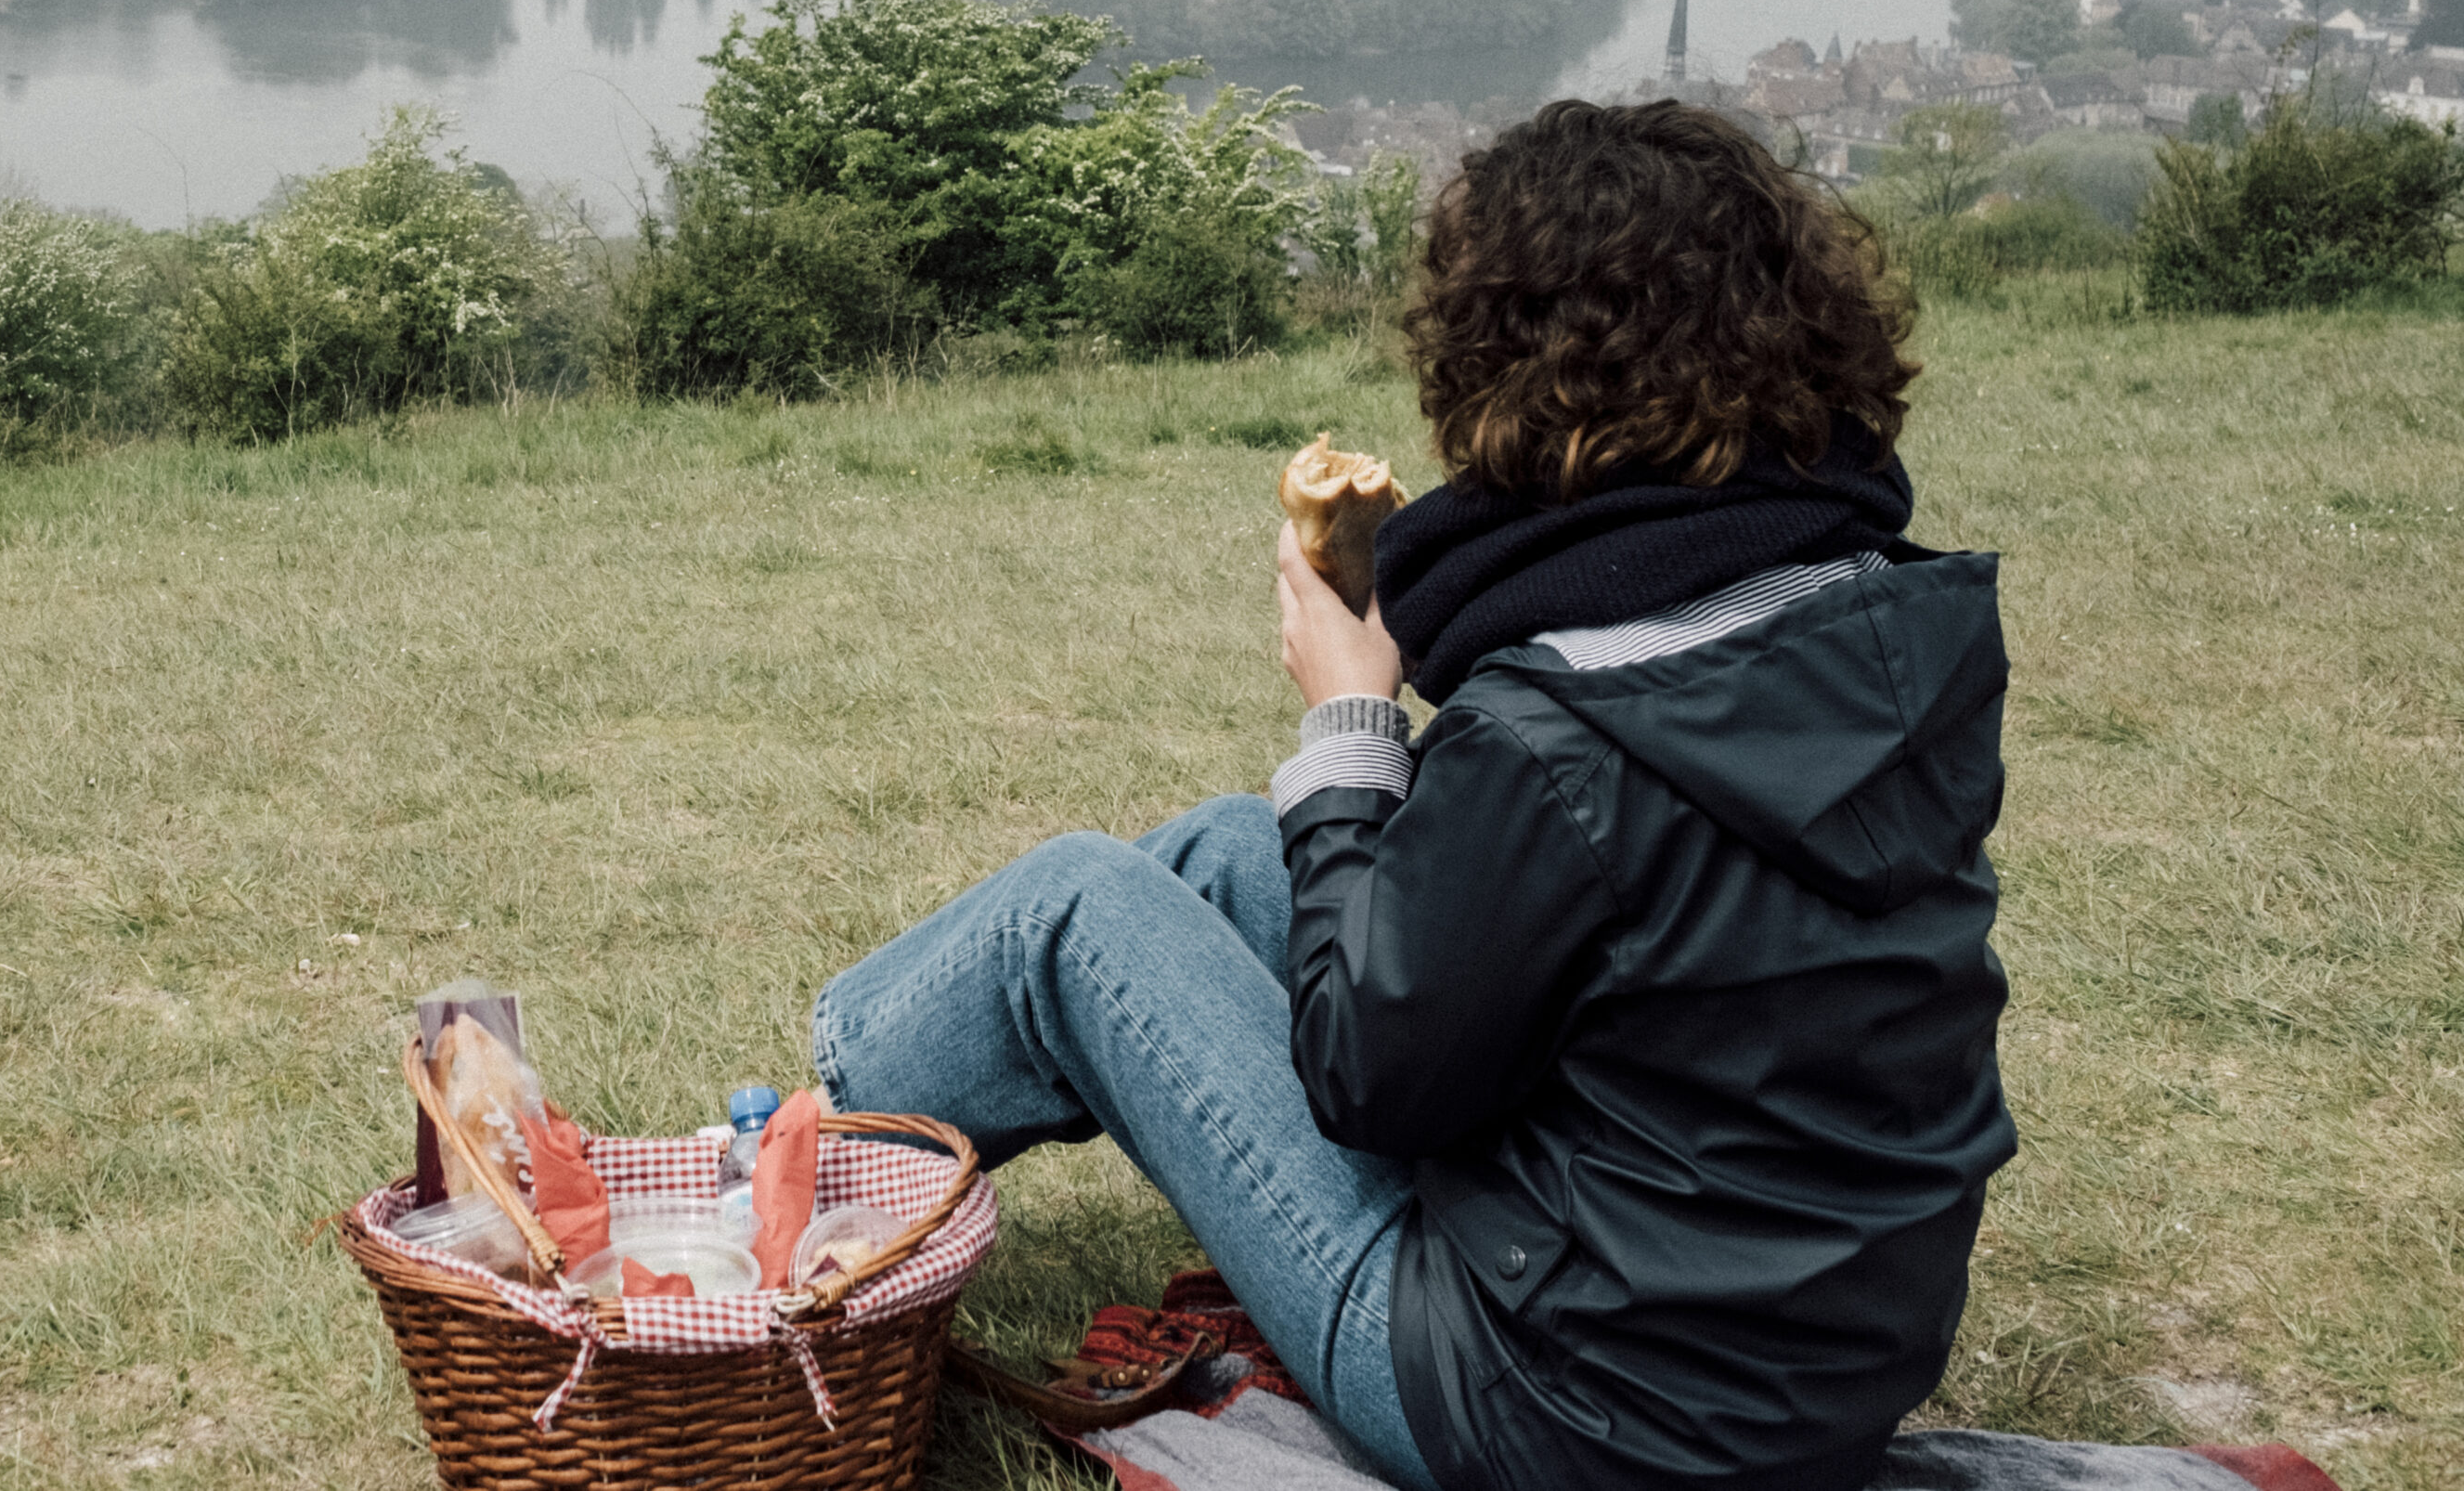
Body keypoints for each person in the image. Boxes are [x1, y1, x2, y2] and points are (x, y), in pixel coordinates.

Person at [813, 99, 2016, 1491]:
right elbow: (1602, 916)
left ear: (1516, 367)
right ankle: (851, 1162)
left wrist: (1348, 714)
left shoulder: (1558, 740)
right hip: (1821, 1364)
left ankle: (781, 1179)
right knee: (1220, 854)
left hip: (1559, 1413)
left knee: (1075, 913)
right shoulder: (1879, 626)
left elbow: (1370, 1075)